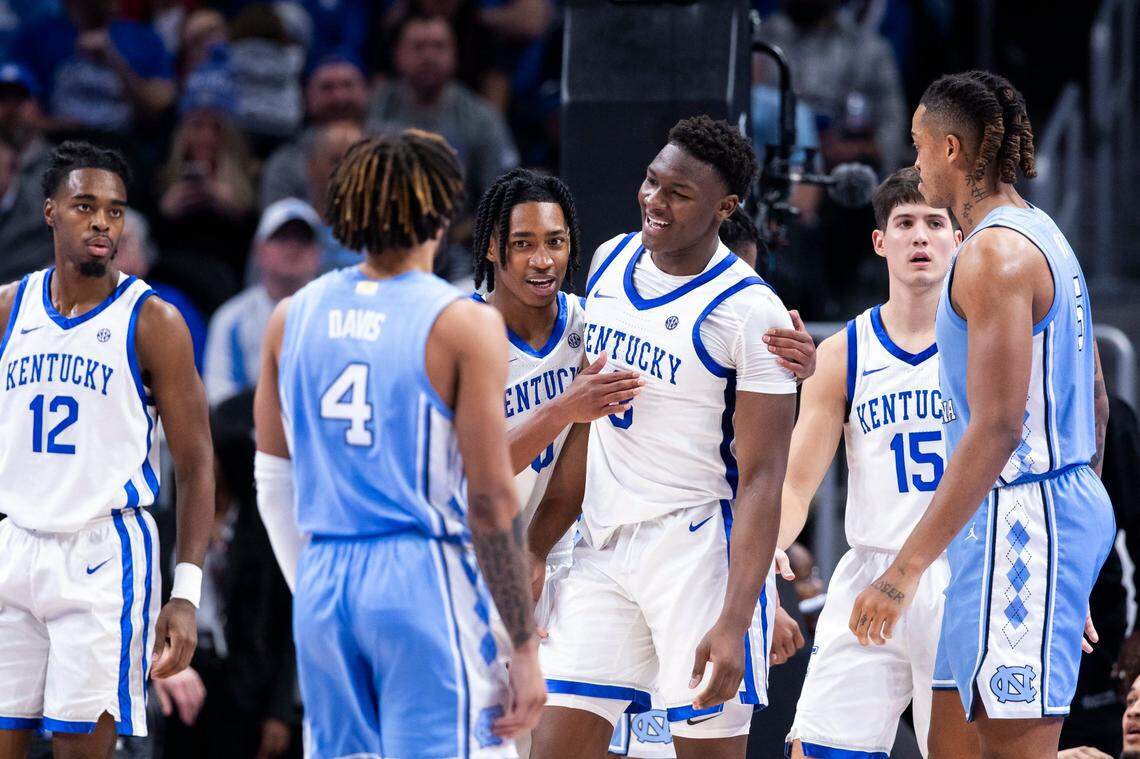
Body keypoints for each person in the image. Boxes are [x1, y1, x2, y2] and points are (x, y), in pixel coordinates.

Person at [252, 130, 545, 758]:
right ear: (441, 212)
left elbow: (273, 485)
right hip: (419, 577)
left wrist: (318, 588)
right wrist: (522, 645)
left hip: (323, 579)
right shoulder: (464, 322)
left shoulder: (289, 317)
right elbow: (491, 500)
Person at [850, 71, 1115, 759]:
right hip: (1030, 518)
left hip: (1022, 517)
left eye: (918, 145)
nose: (913, 162)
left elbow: (998, 428)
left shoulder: (993, 255)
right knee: (953, 741)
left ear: (951, 148)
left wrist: (902, 571)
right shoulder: (1041, 232)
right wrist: (1070, 548)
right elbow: (1096, 398)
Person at [529, 116, 798, 758]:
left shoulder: (749, 311)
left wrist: (736, 620)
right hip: (602, 545)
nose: (655, 199)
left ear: (724, 208)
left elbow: (763, 478)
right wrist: (536, 545)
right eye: (652, 181)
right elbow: (590, 424)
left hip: (696, 554)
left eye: (679, 193)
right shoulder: (608, 259)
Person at [0, 141, 213, 752]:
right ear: (49, 212)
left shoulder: (153, 322)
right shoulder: (10, 307)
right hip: (16, 544)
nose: (102, 222)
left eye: (114, 211)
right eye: (85, 206)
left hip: (101, 556)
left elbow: (197, 464)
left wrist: (185, 594)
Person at [774, 167, 971, 758]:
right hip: (870, 569)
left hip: (961, 573)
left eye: (935, 222)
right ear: (880, 241)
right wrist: (768, 548)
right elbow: (796, 483)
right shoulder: (842, 353)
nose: (920, 236)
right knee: (817, 748)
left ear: (959, 238)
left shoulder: (986, 346)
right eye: (904, 223)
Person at [203, 198, 322, 406]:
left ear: (318, 253)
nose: (293, 247)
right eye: (281, 238)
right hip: (248, 423)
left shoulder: (336, 315)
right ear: (259, 250)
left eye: (303, 239)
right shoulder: (231, 318)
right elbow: (219, 395)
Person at [259, 52, 369, 210]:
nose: (339, 98)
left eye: (348, 85)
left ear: (366, 90)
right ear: (306, 96)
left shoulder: (392, 149)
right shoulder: (285, 164)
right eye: (327, 87)